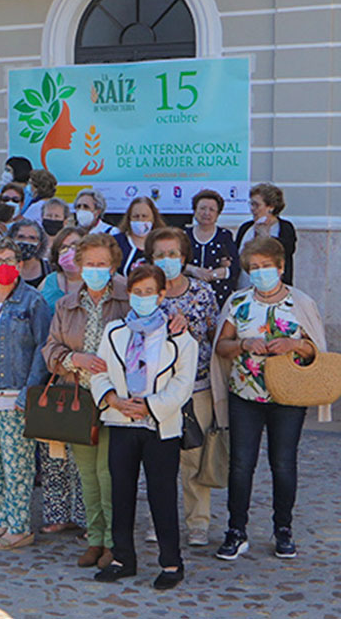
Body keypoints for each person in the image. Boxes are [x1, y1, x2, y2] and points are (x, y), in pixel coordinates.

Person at [212, 236, 324, 561]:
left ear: (281, 266)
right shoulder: (238, 302)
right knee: (241, 464)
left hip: (288, 397)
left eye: (267, 266)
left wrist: (294, 345)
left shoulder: (300, 302)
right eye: (255, 267)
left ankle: (283, 528)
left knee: (284, 463)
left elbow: (315, 348)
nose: (261, 272)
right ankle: (236, 529)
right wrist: (244, 346)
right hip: (246, 395)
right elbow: (222, 346)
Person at [91, 263, 197, 589]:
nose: (143, 297)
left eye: (150, 292)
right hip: (121, 421)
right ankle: (123, 557)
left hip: (159, 425)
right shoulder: (114, 332)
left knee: (161, 495)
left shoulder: (179, 337)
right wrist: (112, 399)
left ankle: (170, 563)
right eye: (138, 292)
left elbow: (183, 383)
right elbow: (99, 371)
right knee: (120, 491)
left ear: (162, 294)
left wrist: (149, 405)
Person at [42, 233, 129, 568]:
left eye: (102, 264)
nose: (95, 269)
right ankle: (94, 539)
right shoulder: (67, 304)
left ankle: (113, 541)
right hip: (78, 397)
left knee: (110, 474)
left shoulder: (126, 298)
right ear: (79, 265)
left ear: (113, 265)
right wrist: (74, 359)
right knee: (88, 475)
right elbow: (50, 348)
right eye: (89, 264)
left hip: (115, 400)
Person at [0, 238, 52, 551]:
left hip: (13, 393)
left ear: (18, 265)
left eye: (9, 259)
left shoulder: (33, 301)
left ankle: (19, 526)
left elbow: (42, 349)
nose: (4, 265)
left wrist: (28, 393)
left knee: (17, 464)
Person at [146, 227, 220, 546]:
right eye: (160, 255)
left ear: (185, 256)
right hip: (156, 391)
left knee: (194, 456)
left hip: (197, 387)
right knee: (159, 461)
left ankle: (198, 522)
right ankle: (157, 520)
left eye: (173, 254)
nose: (167, 260)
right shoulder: (146, 293)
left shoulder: (202, 293)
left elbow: (216, 333)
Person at [35, 225, 90, 536]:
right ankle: (57, 512)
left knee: (84, 451)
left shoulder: (102, 287)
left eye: (77, 246)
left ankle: (85, 516)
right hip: (54, 374)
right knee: (54, 449)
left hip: (88, 380)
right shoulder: (49, 283)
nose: (70, 252)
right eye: (65, 247)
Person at [184, 189, 240, 306]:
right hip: (188, 299)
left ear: (218, 214)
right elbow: (175, 264)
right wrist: (194, 270)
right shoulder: (184, 236)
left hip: (219, 299)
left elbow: (235, 267)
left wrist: (212, 275)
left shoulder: (225, 236)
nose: (206, 213)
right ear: (194, 211)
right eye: (202, 208)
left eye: (212, 210)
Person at [235, 182, 297, 287]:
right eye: (251, 204)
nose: (252, 208)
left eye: (257, 205)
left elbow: (288, 250)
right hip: (245, 287)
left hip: (274, 289)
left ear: (271, 207)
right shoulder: (246, 227)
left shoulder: (285, 228)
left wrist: (267, 238)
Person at [40, 226, 86, 307]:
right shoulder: (48, 282)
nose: (70, 251)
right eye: (63, 248)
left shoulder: (99, 280)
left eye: (75, 245)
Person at [114, 197, 160, 274]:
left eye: (144, 216)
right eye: (136, 216)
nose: (140, 220)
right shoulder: (116, 242)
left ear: (153, 218)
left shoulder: (162, 241)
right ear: (129, 219)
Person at [8, 219, 49, 288]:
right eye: (21, 237)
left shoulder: (50, 270)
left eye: (32, 238)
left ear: (39, 244)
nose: (26, 241)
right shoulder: (2, 269)